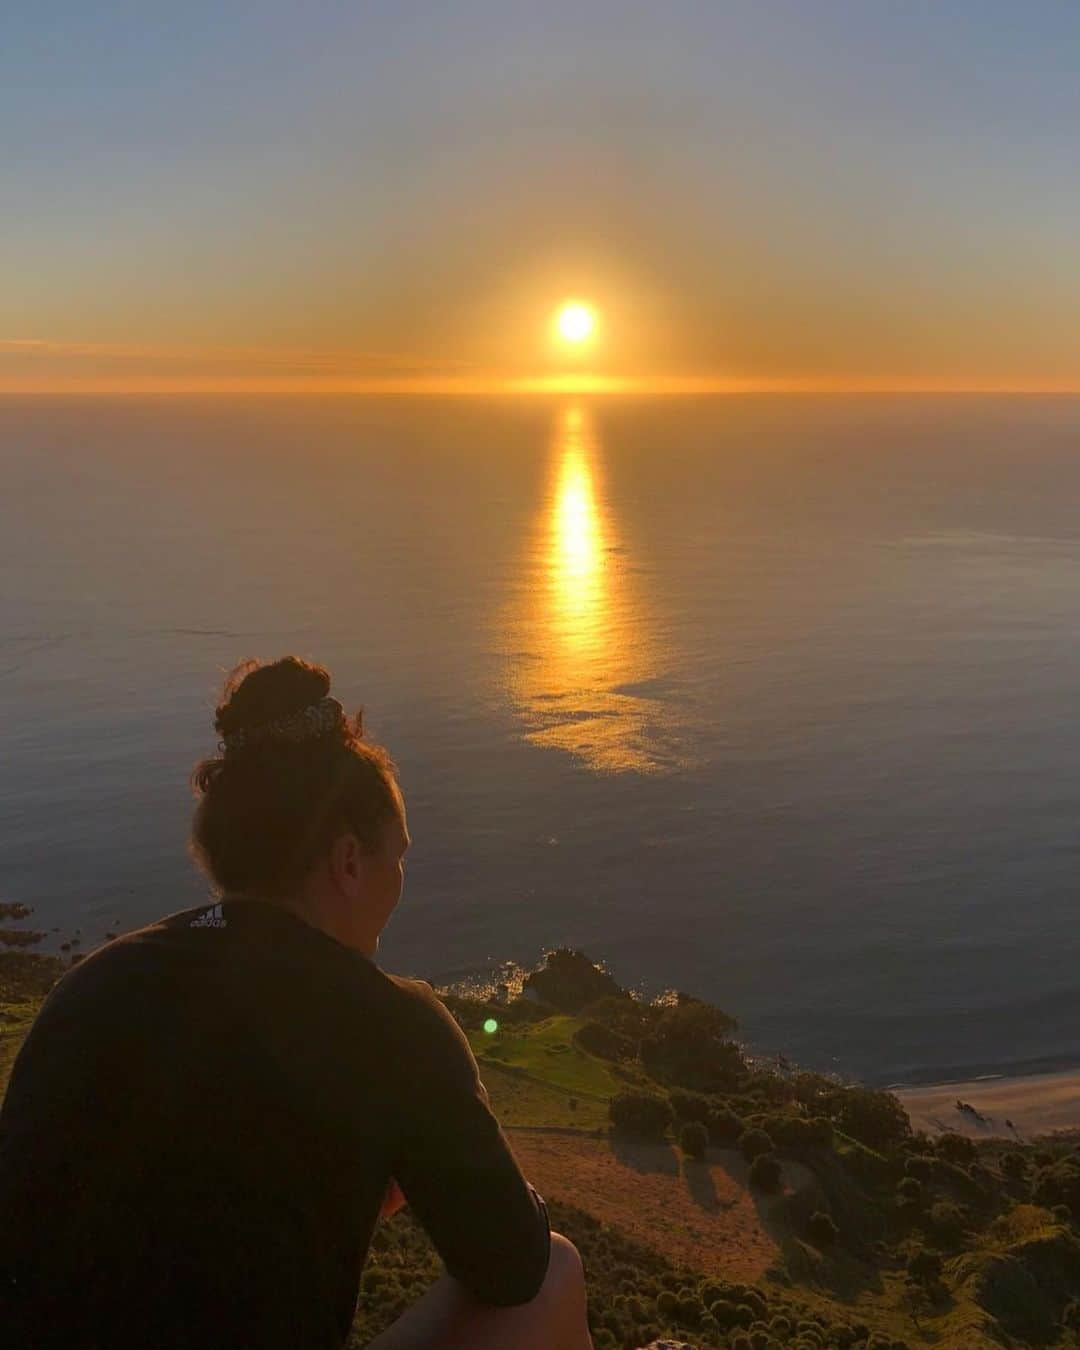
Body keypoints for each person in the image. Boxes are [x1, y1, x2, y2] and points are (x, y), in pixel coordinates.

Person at [0, 656, 592, 1349]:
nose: (400, 881)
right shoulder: (392, 1025)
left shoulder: (93, 984)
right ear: (348, 861)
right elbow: (511, 1266)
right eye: (396, 856)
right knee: (557, 1271)